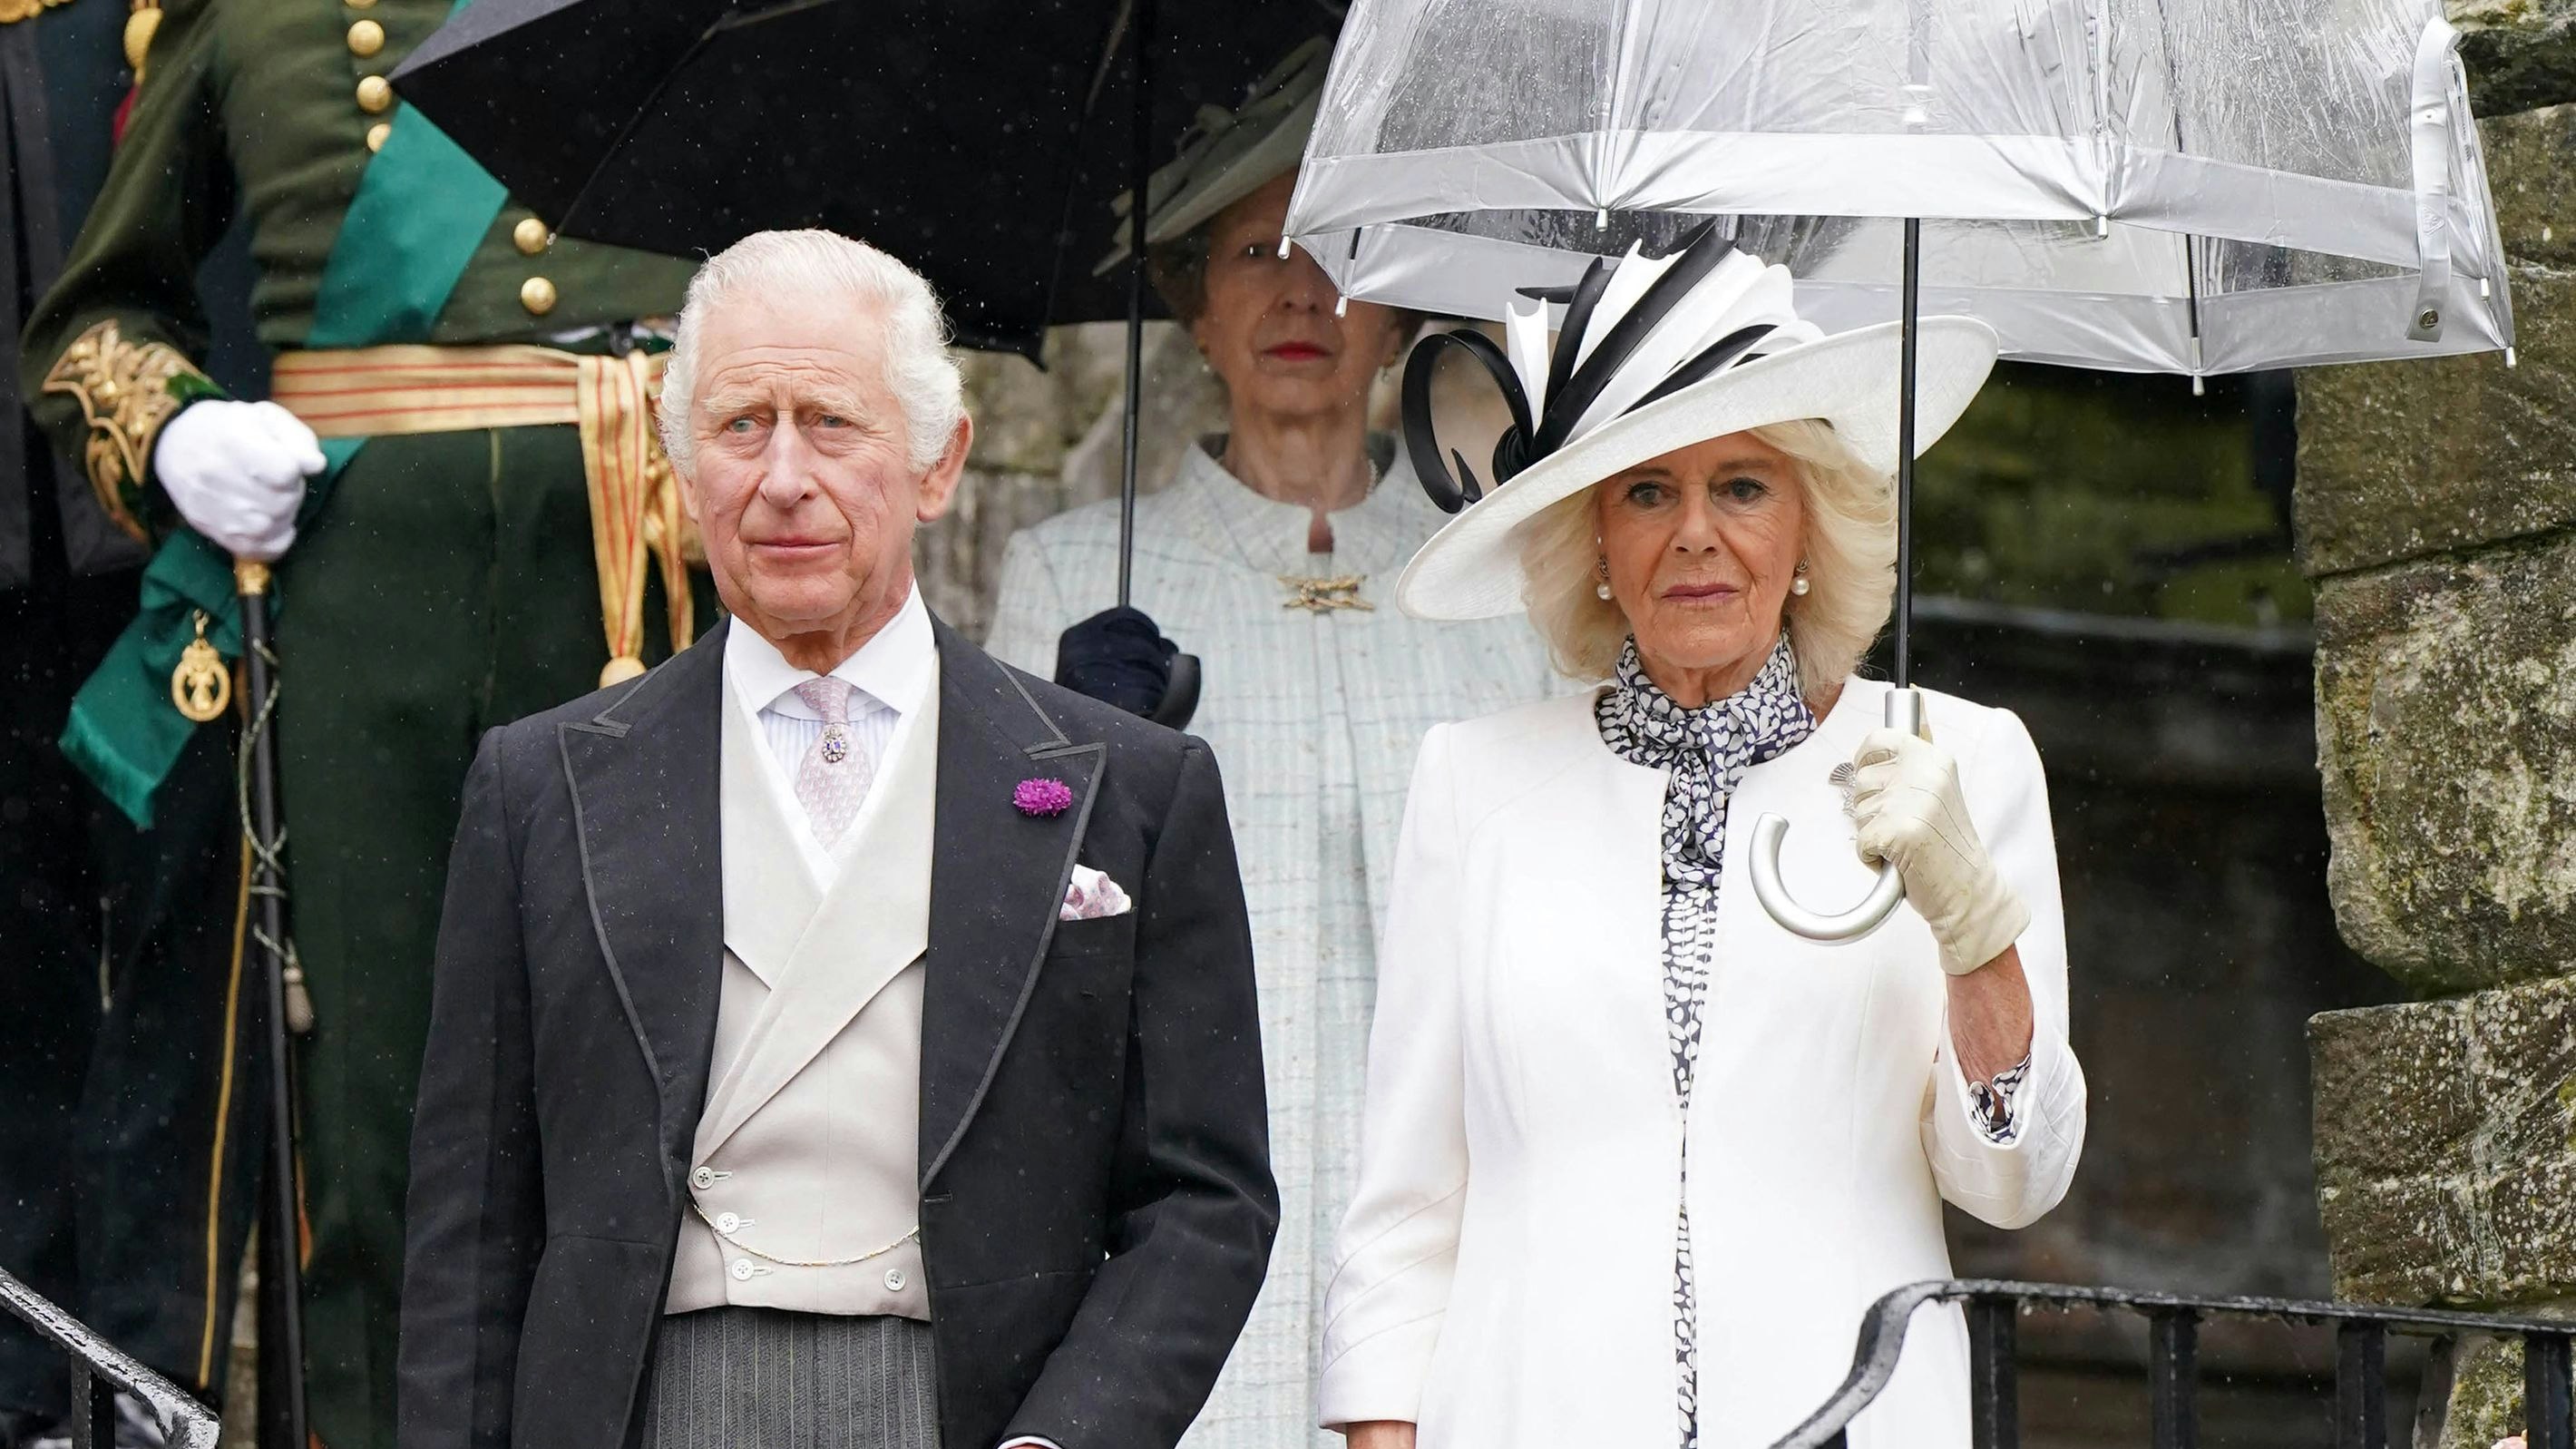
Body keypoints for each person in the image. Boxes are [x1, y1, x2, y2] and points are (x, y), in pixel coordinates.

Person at [397, 230, 1279, 1449]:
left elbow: (1207, 1198)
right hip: (644, 1411)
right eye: (741, 425)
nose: (784, 475)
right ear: (679, 462)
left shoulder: (1132, 786)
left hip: (977, 1411)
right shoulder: (540, 784)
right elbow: (469, 1233)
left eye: (832, 422)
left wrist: (1068, 1441)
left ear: (938, 462)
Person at [17, 5, 706, 1444]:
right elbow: (100, 312)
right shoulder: (243, 20)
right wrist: (175, 431)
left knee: (682, 1105)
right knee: (376, 1131)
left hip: (662, 580)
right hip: (364, 613)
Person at [1315, 227, 2087, 1449]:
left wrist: (1969, 920)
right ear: (1598, 546)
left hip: (1852, 1416)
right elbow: (1406, 1209)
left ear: (1806, 528)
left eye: (1740, 484)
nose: (1694, 533)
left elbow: (2010, 1179)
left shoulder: (1958, 758)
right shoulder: (1474, 781)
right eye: (1646, 490)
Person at [985, 42, 1555, 1446]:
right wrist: (1058, 774)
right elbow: (1001, 943)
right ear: (1191, 302)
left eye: (1342, 251)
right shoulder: (1071, 579)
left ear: (1399, 307)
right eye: (1254, 252)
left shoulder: (1513, 586)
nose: (1302, 292)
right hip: (1172, 1238)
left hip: (1457, 1234)